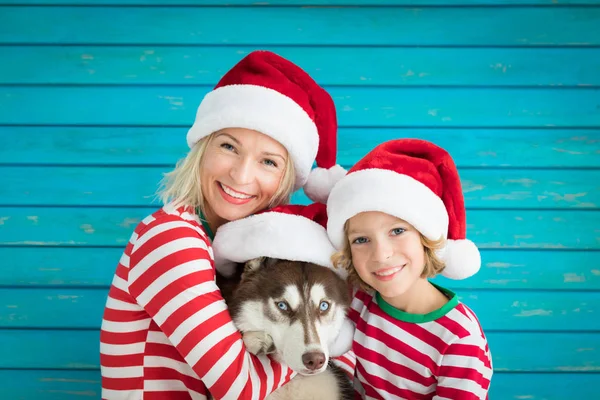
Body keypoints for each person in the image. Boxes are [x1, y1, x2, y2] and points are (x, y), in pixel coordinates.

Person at [99, 50, 346, 399]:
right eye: (229, 146)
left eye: (268, 161)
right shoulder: (171, 237)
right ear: (202, 147)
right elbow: (239, 387)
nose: (241, 175)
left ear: (286, 179)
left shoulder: (228, 246)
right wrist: (315, 344)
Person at [325, 139, 493, 399]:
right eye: (361, 240)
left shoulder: (459, 338)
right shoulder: (360, 300)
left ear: (426, 238)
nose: (381, 255)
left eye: (397, 231)